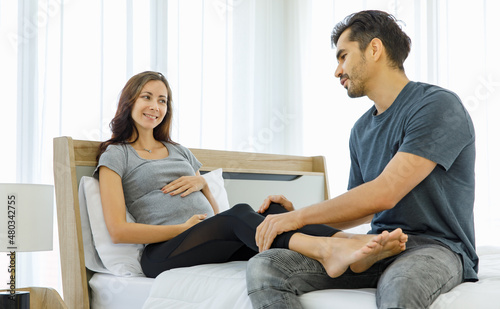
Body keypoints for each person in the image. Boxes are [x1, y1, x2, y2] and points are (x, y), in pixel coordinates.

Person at [247, 10, 478, 309]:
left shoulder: (436, 105)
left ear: (374, 49)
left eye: (343, 56)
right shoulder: (361, 129)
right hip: (374, 247)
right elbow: (360, 207)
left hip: (435, 246)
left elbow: (385, 193)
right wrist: (303, 216)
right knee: (266, 267)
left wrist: (297, 218)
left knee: (401, 287)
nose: (337, 70)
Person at [94, 71, 408, 279]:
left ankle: (356, 243)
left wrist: (203, 182)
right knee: (240, 215)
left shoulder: (179, 152)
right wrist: (182, 228)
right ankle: (328, 250)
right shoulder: (116, 154)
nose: (155, 106)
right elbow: (119, 231)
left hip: (205, 239)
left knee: (275, 214)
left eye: (162, 100)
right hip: (163, 253)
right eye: (147, 97)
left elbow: (215, 214)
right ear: (130, 101)